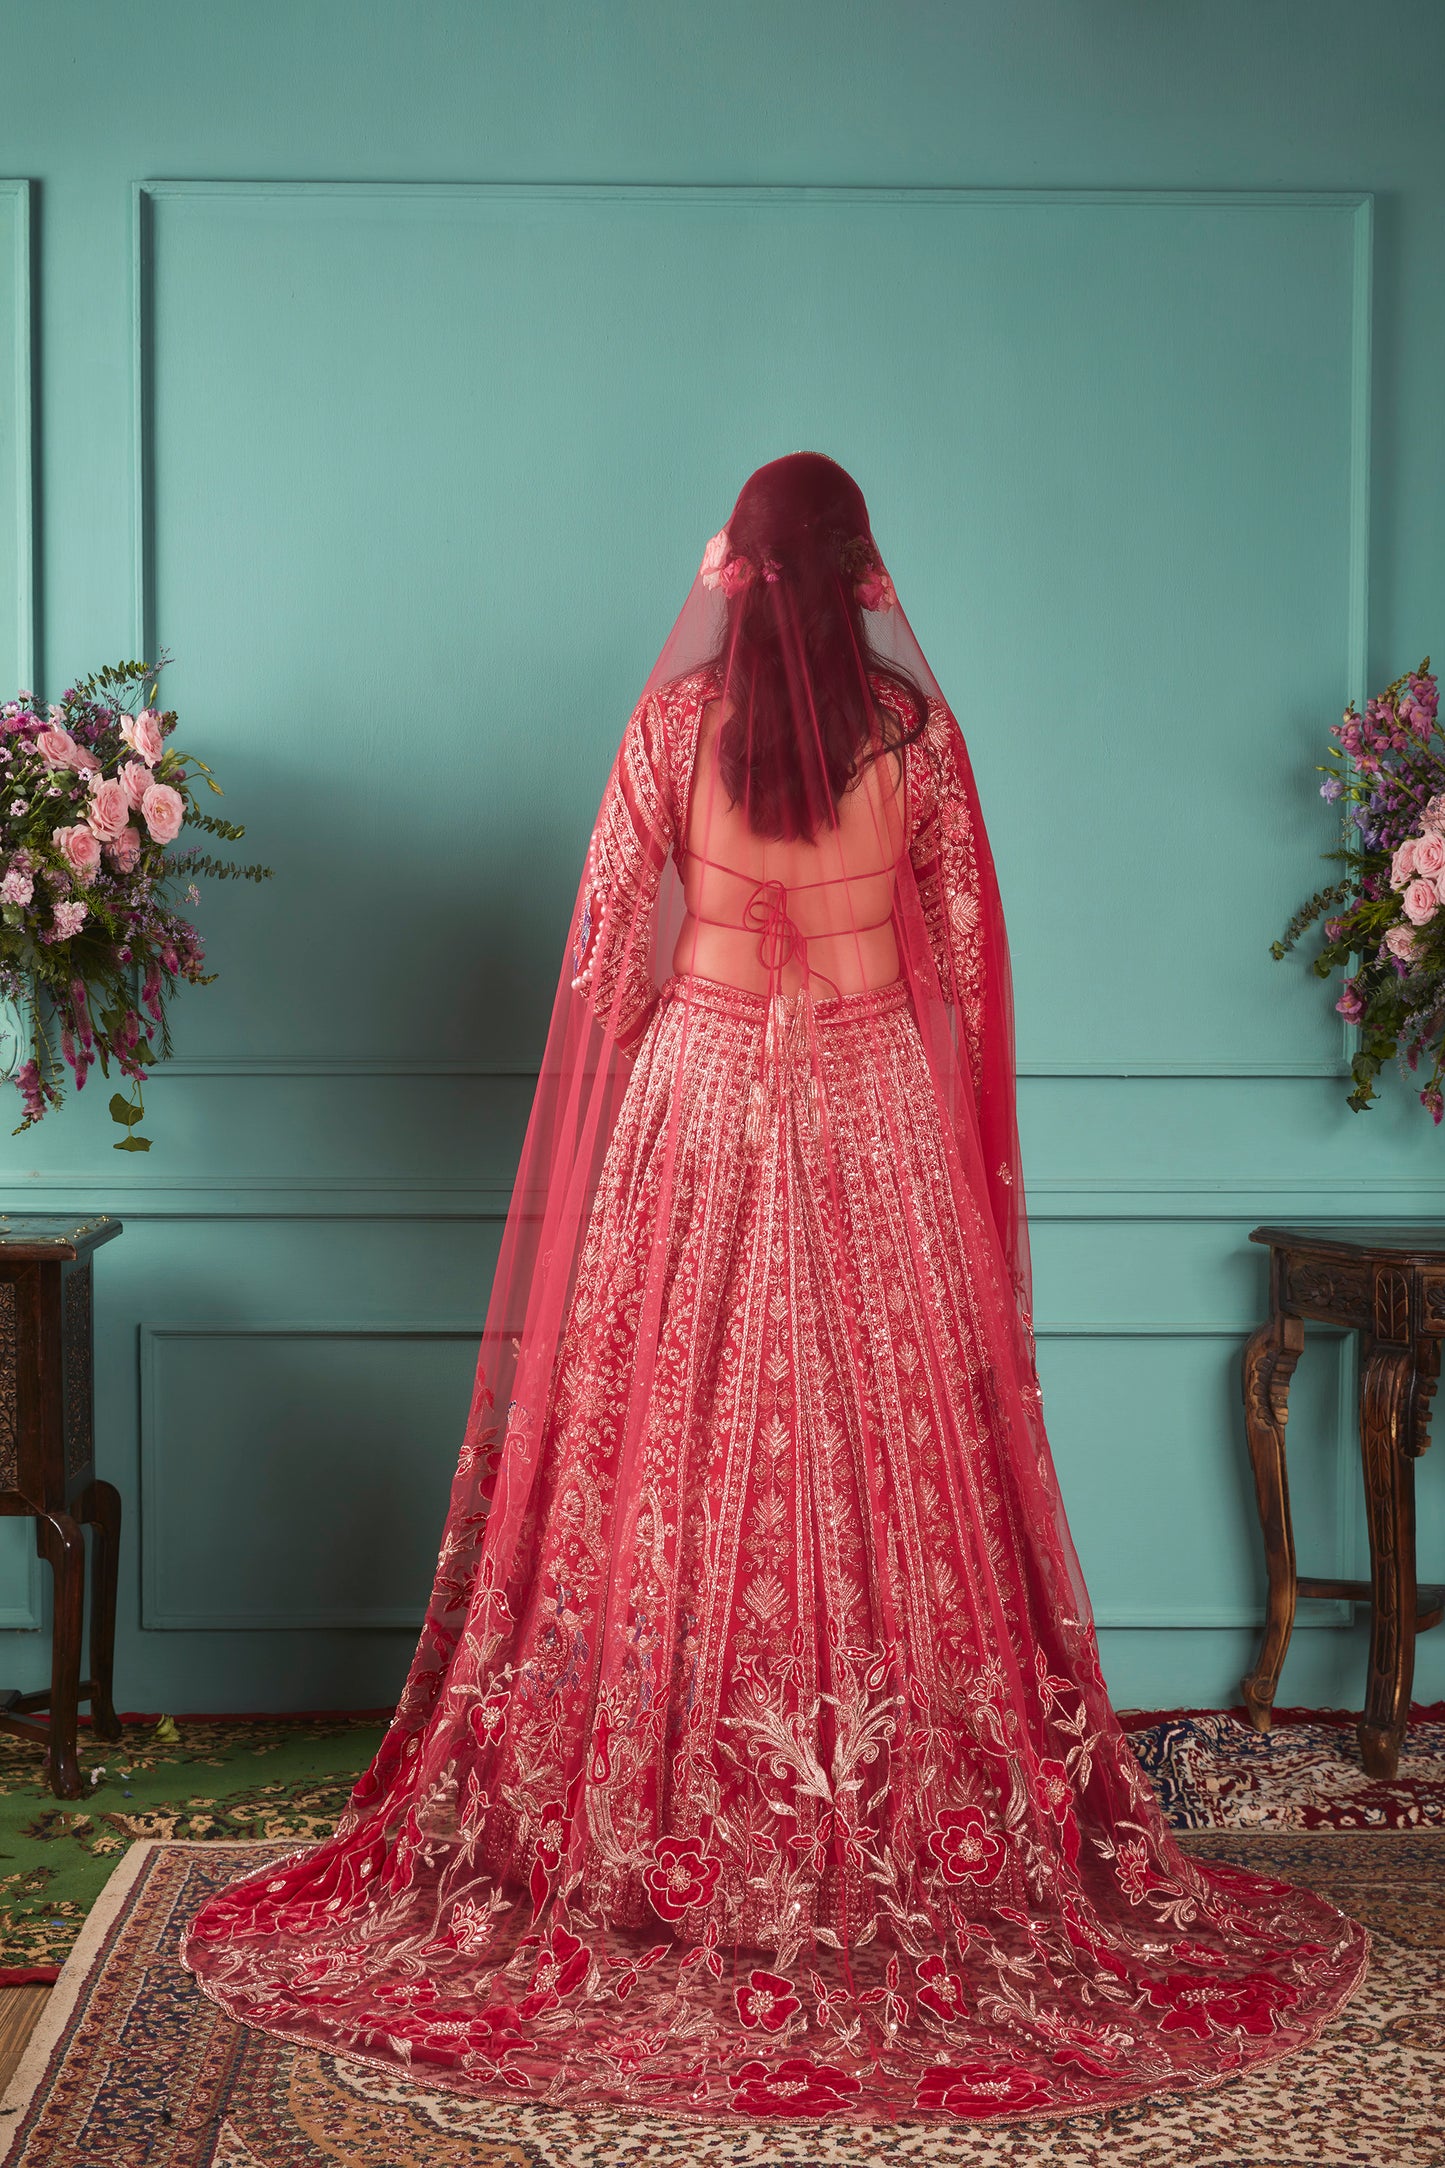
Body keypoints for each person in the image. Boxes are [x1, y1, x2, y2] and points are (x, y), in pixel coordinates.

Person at [180, 452, 1368, 2125]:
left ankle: (670, 1819)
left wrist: (718, 965)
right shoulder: (916, 735)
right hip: (873, 1102)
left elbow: (604, 959)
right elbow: (960, 964)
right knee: (884, 1448)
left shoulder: (671, 731)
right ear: (864, 573)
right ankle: (907, 1813)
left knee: (670, 1439)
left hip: (704, 1096)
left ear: (734, 569)